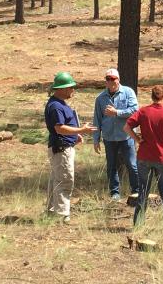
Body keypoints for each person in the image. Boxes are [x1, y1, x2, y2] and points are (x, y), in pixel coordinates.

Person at [123, 85, 163, 228]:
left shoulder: (143, 112)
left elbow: (126, 127)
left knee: (143, 191)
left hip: (144, 157)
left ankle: (138, 224)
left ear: (152, 97)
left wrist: (137, 139)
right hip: (162, 157)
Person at [45, 72, 97, 223]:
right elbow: (59, 128)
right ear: (62, 89)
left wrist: (75, 136)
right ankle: (61, 215)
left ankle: (52, 211)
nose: (73, 90)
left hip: (64, 146)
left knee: (57, 179)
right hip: (61, 149)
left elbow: (65, 127)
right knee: (65, 180)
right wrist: (82, 130)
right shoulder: (55, 106)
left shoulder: (60, 104)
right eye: (71, 87)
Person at [92, 68, 140, 200]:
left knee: (132, 165)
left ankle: (136, 191)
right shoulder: (100, 98)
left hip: (126, 137)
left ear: (118, 80)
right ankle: (114, 193)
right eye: (108, 79)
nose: (111, 81)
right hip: (109, 137)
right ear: (105, 82)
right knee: (111, 166)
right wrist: (96, 139)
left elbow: (135, 111)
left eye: (113, 78)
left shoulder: (128, 92)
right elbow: (97, 119)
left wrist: (117, 112)